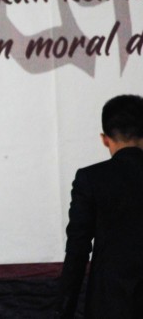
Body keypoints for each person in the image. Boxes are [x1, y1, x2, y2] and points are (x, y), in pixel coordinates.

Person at [57, 94, 143, 318]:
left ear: (105, 139)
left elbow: (77, 250)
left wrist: (64, 311)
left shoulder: (91, 179)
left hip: (110, 304)